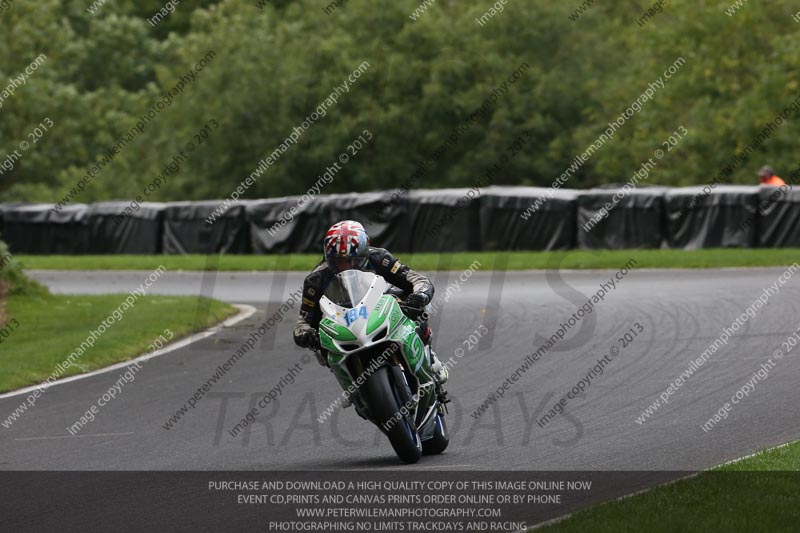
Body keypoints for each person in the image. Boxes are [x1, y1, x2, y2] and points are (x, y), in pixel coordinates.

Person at [293, 220, 448, 388]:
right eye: (339, 261)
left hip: (380, 308)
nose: (346, 266)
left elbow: (416, 279)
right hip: (344, 323)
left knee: (417, 306)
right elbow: (304, 320)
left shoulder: (379, 258)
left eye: (352, 261)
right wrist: (305, 334)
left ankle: (428, 354)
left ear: (364, 254)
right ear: (328, 257)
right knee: (321, 346)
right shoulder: (315, 280)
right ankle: (354, 389)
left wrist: (419, 295)